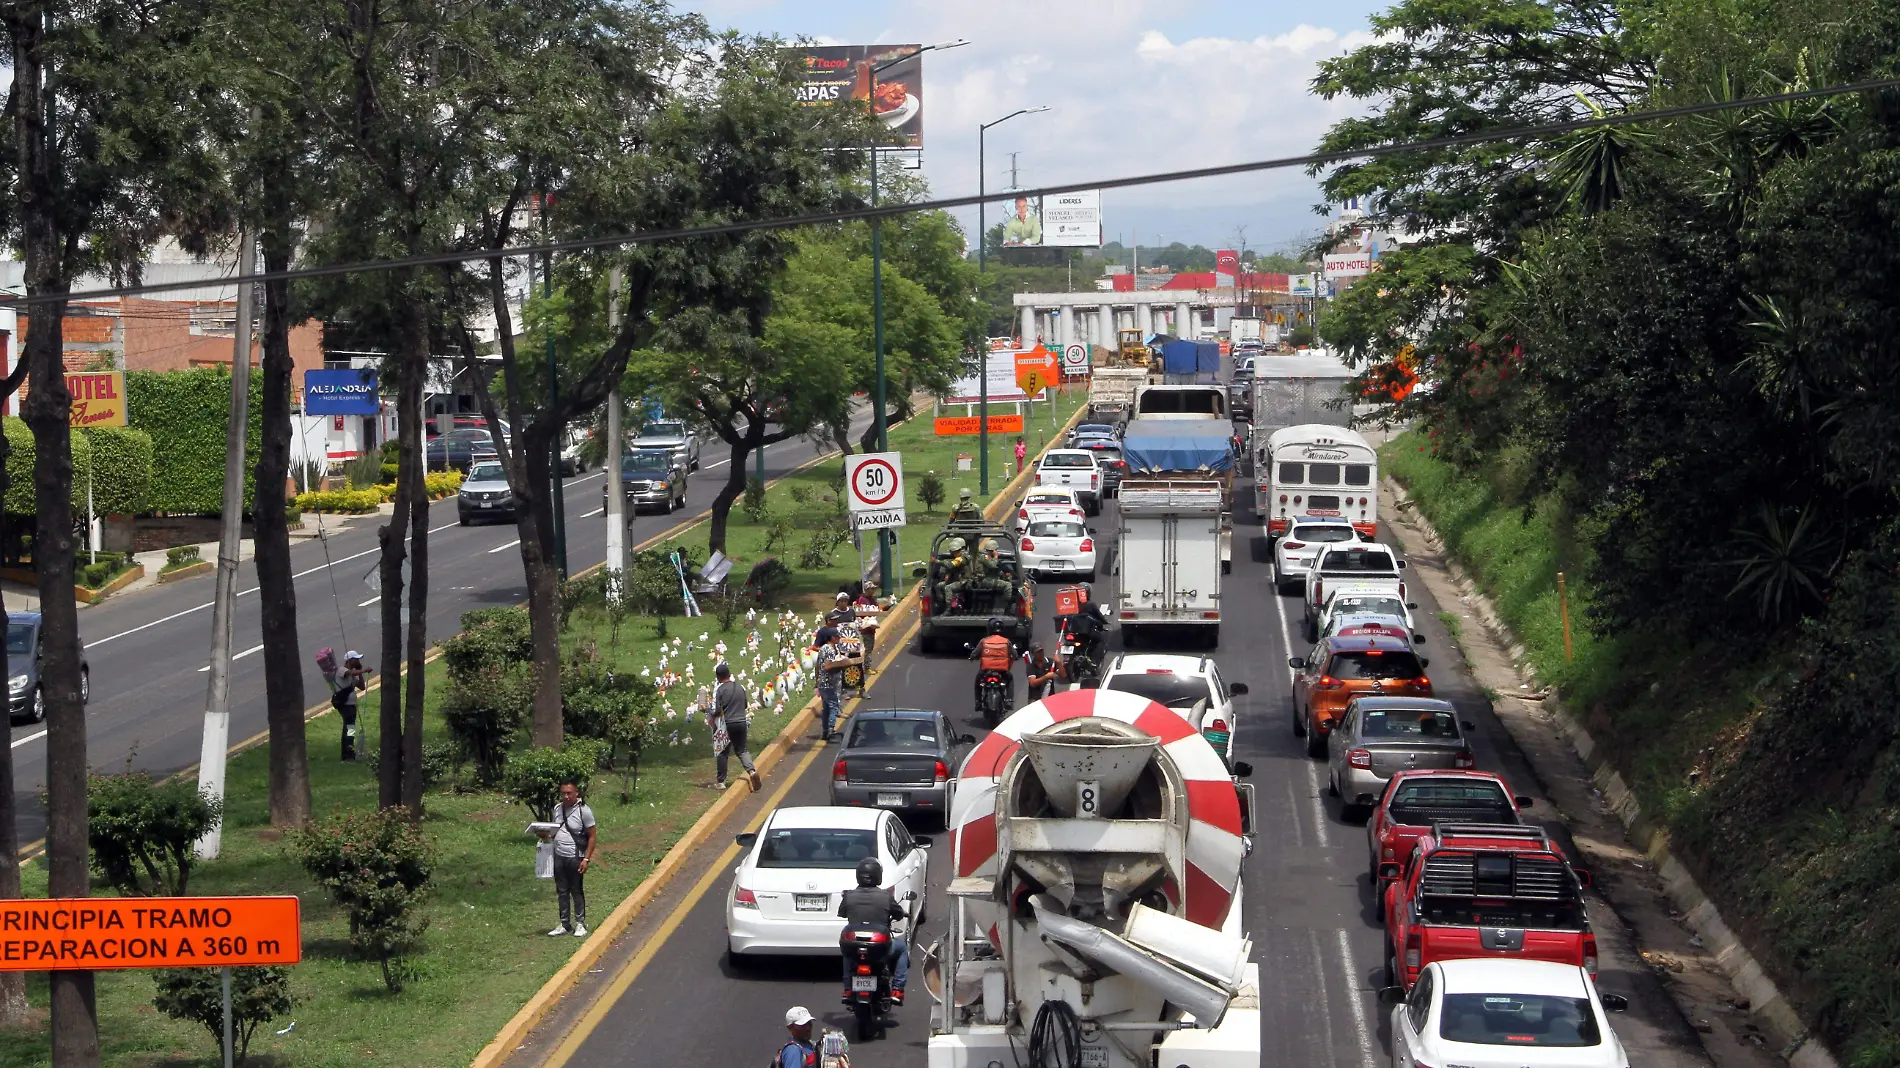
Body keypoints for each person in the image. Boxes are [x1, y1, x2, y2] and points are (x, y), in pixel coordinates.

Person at [838, 857, 910, 1005]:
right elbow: (898, 913)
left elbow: (842, 912)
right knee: (902, 949)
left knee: (848, 954)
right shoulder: (885, 896)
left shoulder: (849, 896)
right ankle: (897, 989)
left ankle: (848, 988)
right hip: (879, 948)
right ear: (878, 876)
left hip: (856, 945)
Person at [548, 779, 596, 938]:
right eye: (563, 793)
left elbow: (592, 836)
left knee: (576, 890)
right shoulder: (557, 809)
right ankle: (564, 923)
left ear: (577, 793)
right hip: (559, 856)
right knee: (562, 891)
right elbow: (554, 831)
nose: (566, 796)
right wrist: (544, 834)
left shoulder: (584, 811)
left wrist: (586, 859)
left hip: (575, 856)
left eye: (569, 793)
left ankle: (580, 923)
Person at [710, 663, 761, 792]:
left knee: (723, 752)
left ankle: (721, 782)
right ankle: (752, 772)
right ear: (729, 674)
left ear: (718, 677)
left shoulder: (720, 689)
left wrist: (708, 712)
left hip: (728, 724)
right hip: (742, 722)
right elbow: (744, 705)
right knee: (742, 750)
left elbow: (716, 710)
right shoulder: (740, 687)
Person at [815, 626, 859, 742]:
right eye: (838, 636)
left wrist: (816, 682)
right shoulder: (829, 650)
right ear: (833, 638)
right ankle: (830, 729)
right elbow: (828, 666)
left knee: (826, 708)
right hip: (829, 683)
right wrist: (842, 663)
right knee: (833, 706)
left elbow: (818, 666)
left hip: (822, 683)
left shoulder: (822, 649)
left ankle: (825, 731)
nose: (839, 638)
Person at [970, 617, 1017, 711]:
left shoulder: (984, 641)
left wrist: (972, 657)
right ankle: (1009, 700)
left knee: (977, 682)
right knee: (1010, 679)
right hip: (1003, 671)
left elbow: (975, 653)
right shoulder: (1006, 641)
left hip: (986, 670)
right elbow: (1014, 655)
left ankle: (978, 702)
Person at [335, 652, 367, 761]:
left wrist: (360, 673)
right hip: (346, 706)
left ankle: (348, 751)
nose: (358, 661)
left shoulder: (352, 676)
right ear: (349, 660)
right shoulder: (342, 670)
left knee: (350, 728)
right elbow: (349, 672)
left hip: (352, 706)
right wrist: (363, 670)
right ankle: (347, 754)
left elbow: (362, 686)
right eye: (356, 659)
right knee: (349, 728)